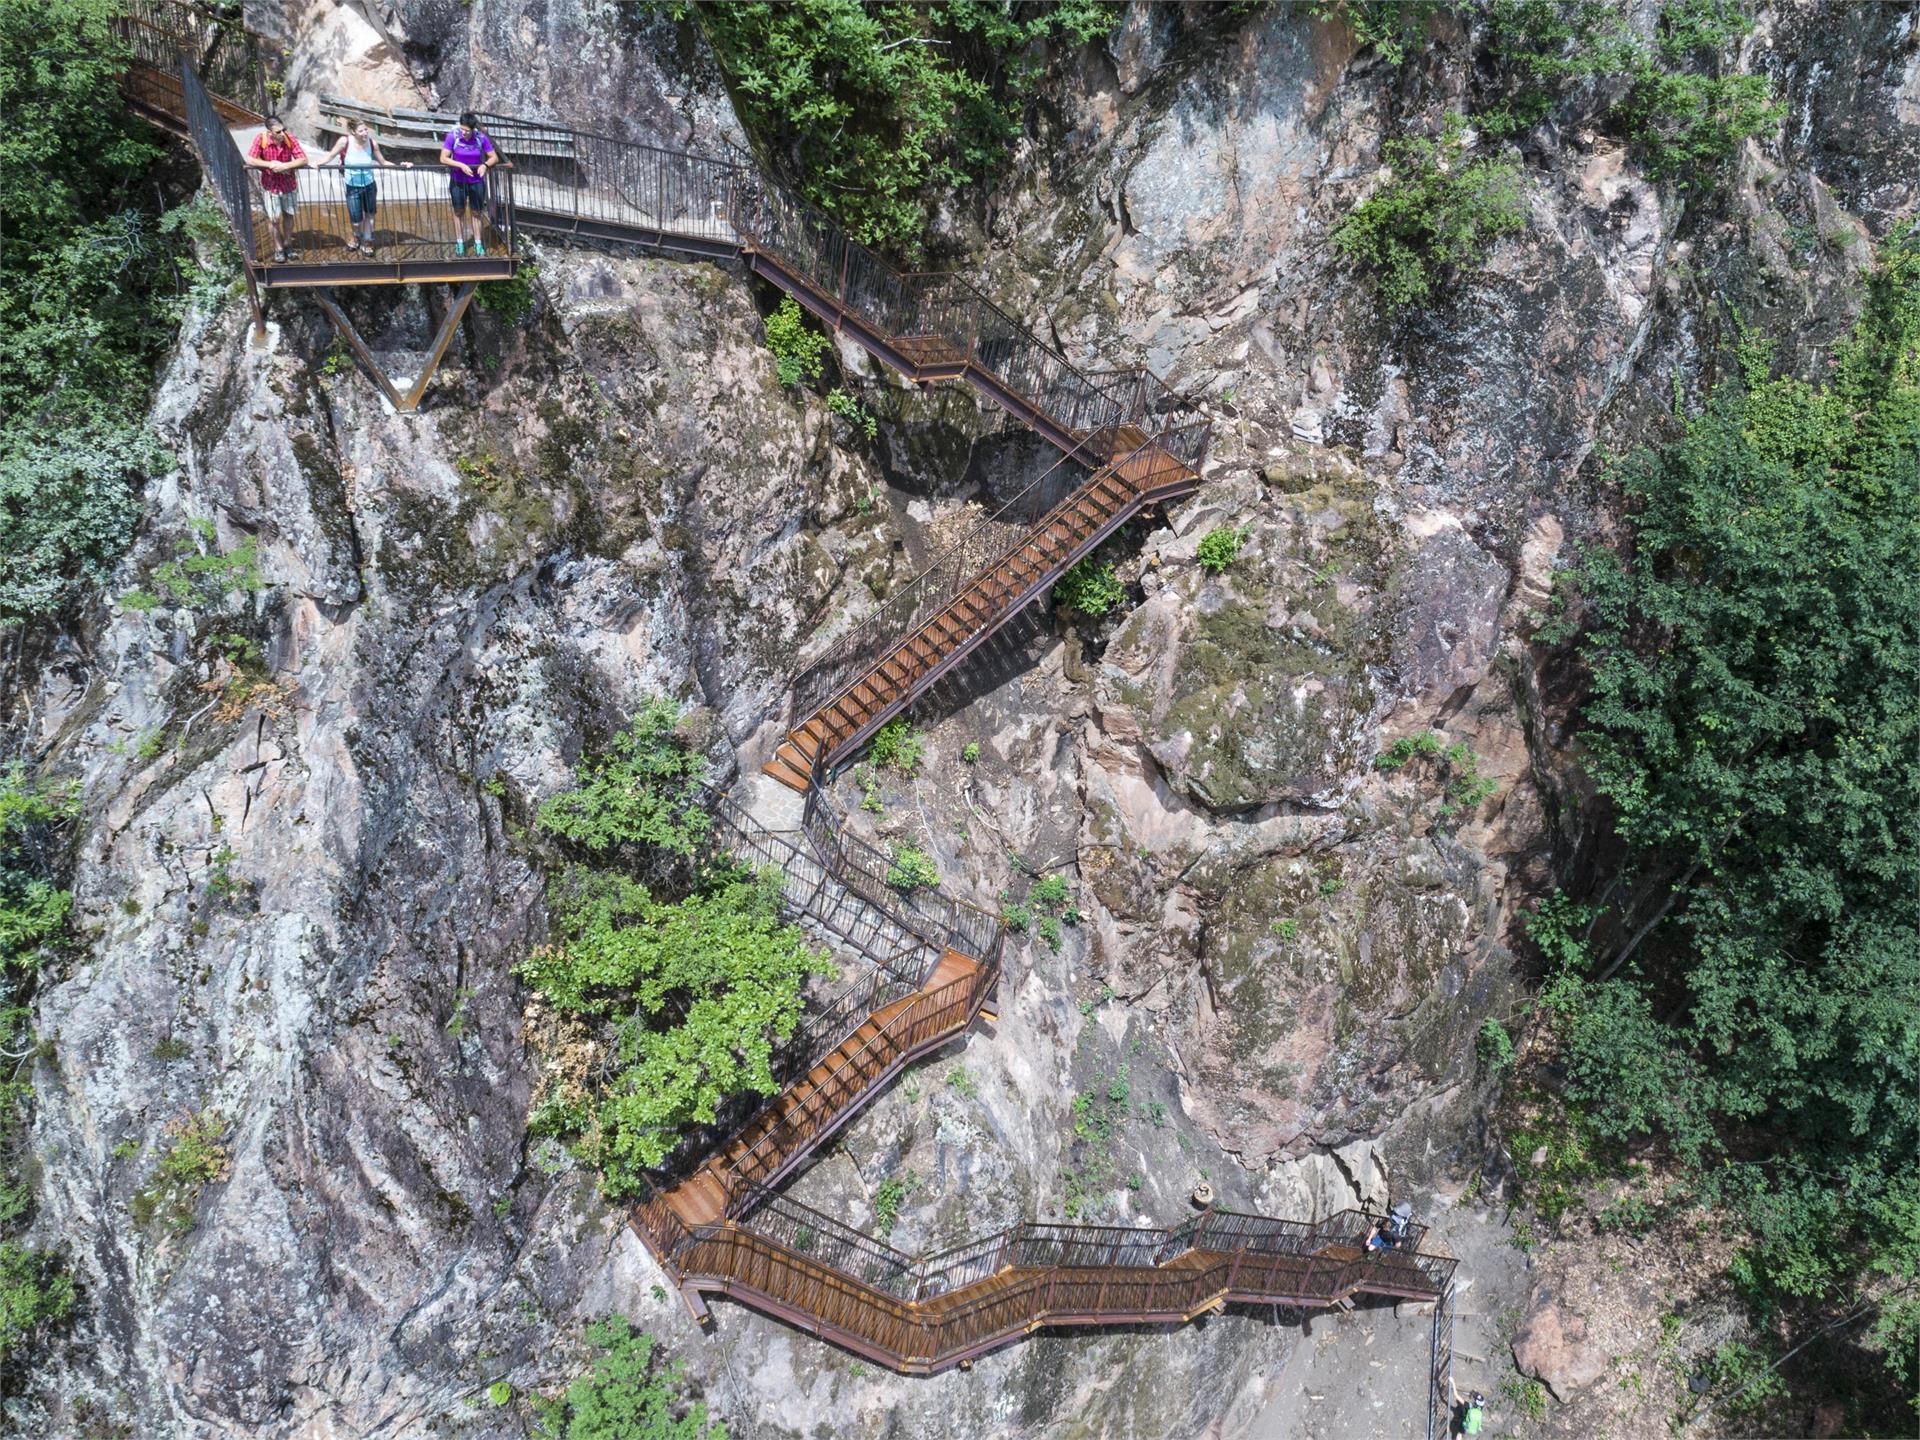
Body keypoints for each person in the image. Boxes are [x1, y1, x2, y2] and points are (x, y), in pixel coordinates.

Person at [320, 119, 410, 255]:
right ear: (353, 132)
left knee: (370, 215)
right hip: (352, 187)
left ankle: (367, 240)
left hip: (369, 185)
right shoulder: (345, 142)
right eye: (361, 131)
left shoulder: (372, 143)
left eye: (366, 129)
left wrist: (401, 166)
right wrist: (317, 163)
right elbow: (331, 155)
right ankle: (356, 235)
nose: (365, 133)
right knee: (356, 220)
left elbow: (384, 162)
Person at [245, 115, 307, 262]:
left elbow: (303, 159)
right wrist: (271, 164)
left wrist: (285, 165)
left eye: (283, 130)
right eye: (278, 132)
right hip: (271, 185)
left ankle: (288, 244)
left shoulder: (289, 139)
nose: (282, 134)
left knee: (289, 215)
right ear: (270, 132)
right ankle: (278, 248)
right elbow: (250, 159)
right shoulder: (261, 139)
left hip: (288, 184)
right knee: (274, 219)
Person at [439, 111, 499, 256]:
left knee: (476, 212)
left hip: (476, 181)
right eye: (462, 129)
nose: (464, 133)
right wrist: (460, 165)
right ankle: (460, 242)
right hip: (458, 181)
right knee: (458, 211)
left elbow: (494, 157)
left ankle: (478, 243)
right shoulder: (453, 136)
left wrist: (485, 165)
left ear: (473, 129)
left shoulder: (480, 138)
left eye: (467, 130)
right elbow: (443, 158)